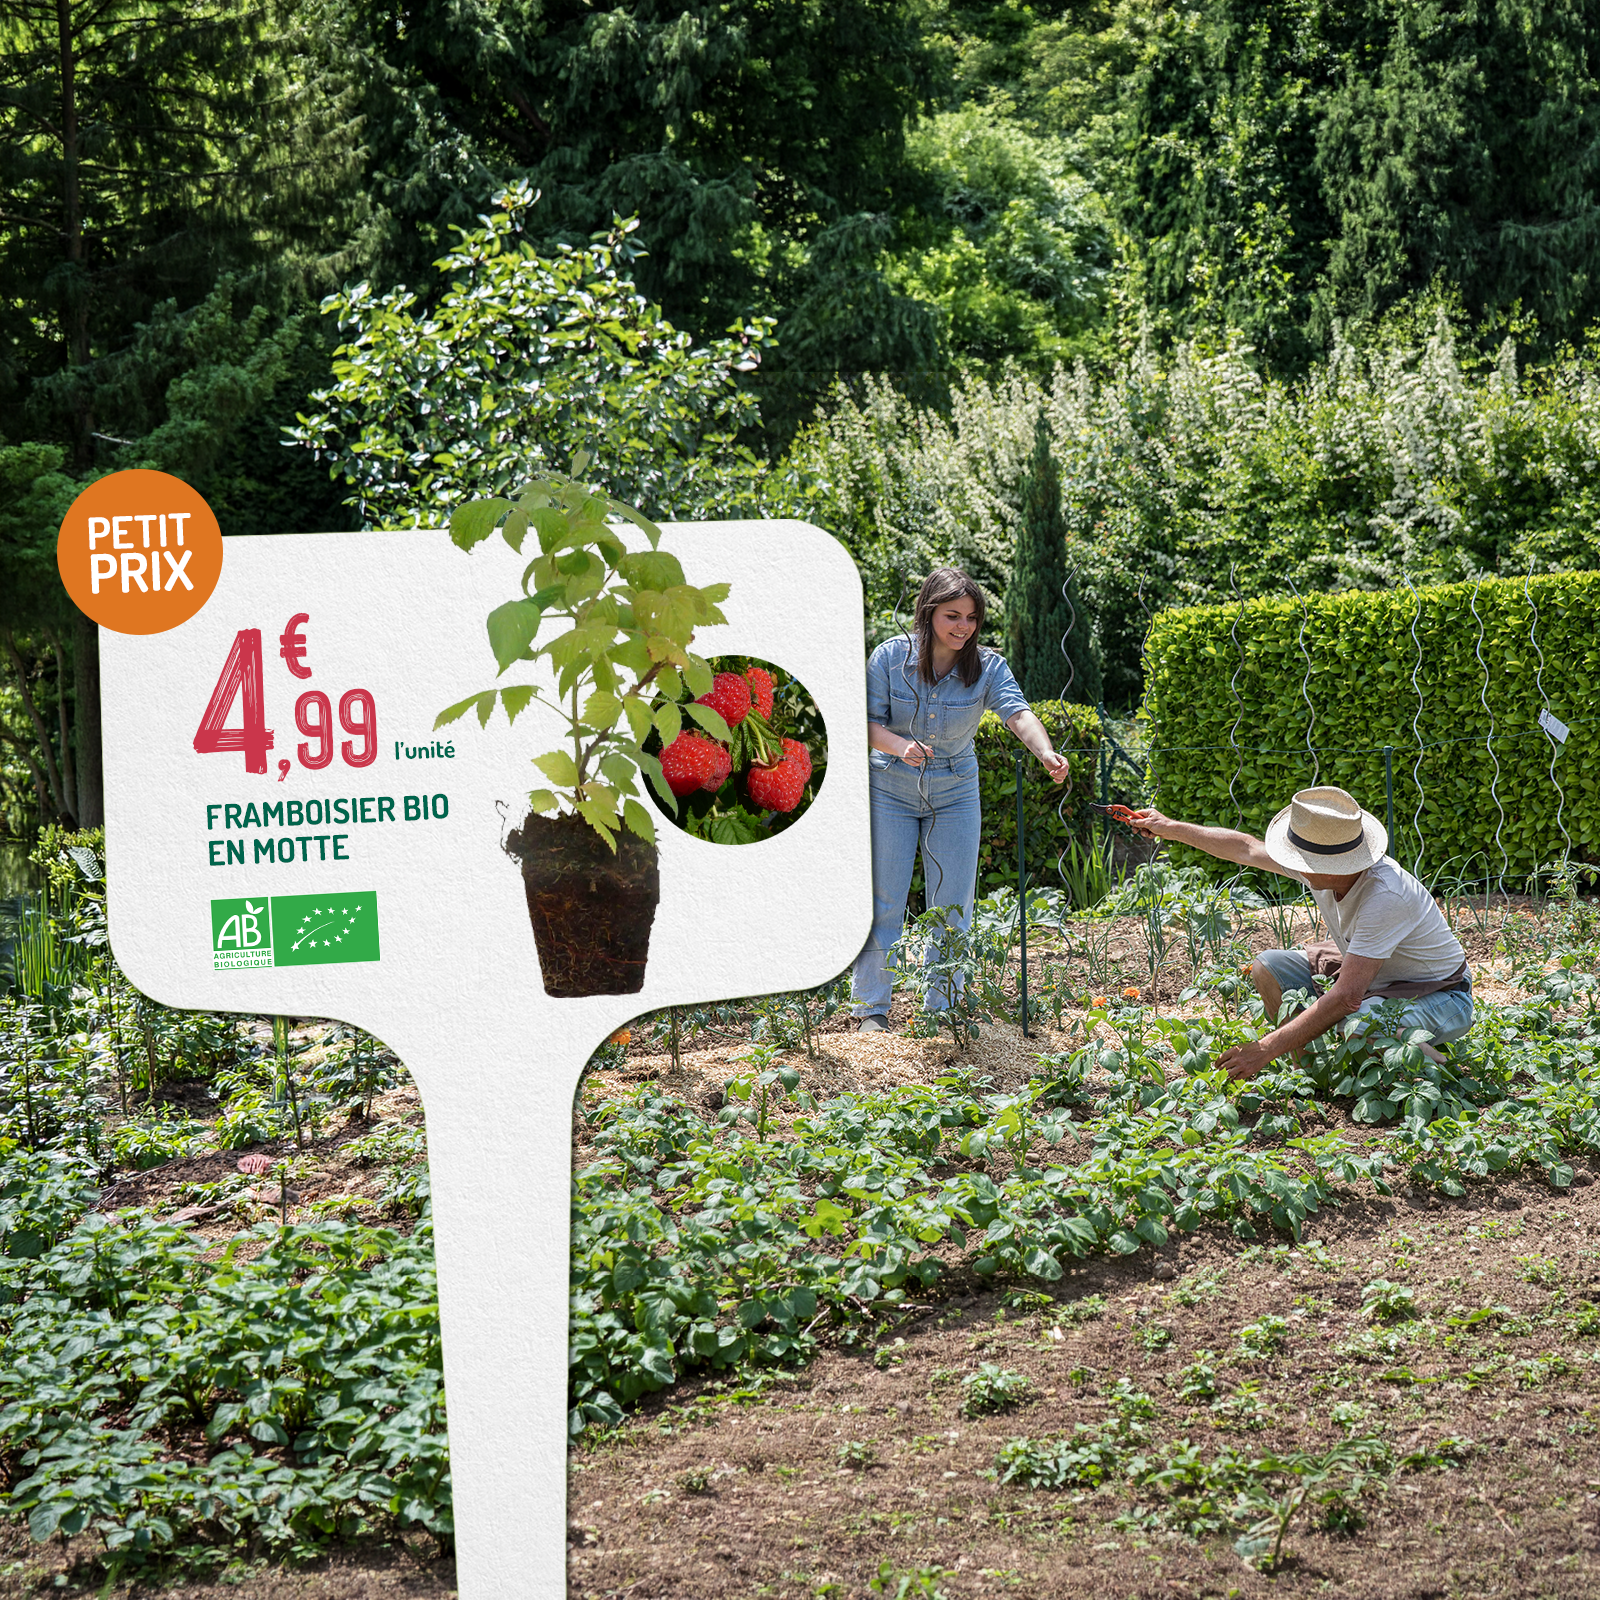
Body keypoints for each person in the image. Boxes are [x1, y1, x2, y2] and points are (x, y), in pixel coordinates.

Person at [852, 567, 1071, 1032]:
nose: (963, 627)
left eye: (972, 617)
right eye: (953, 615)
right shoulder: (890, 659)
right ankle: (872, 1011)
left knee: (952, 903)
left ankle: (942, 1009)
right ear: (929, 612)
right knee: (885, 900)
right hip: (890, 788)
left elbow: (1017, 711)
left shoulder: (987, 666)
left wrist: (1046, 751)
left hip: (955, 793)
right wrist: (900, 746)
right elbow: (865, 723)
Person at [1128, 786, 1473, 1080]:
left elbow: (1345, 997)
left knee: (1358, 1019)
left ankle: (1433, 1070)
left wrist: (1264, 1049)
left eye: (1296, 858)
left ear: (1327, 865)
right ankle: (1311, 1076)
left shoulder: (1385, 896)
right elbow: (1246, 848)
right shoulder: (1326, 865)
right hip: (1377, 976)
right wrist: (1169, 827)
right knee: (1269, 966)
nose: (1288, 863)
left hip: (1440, 995)